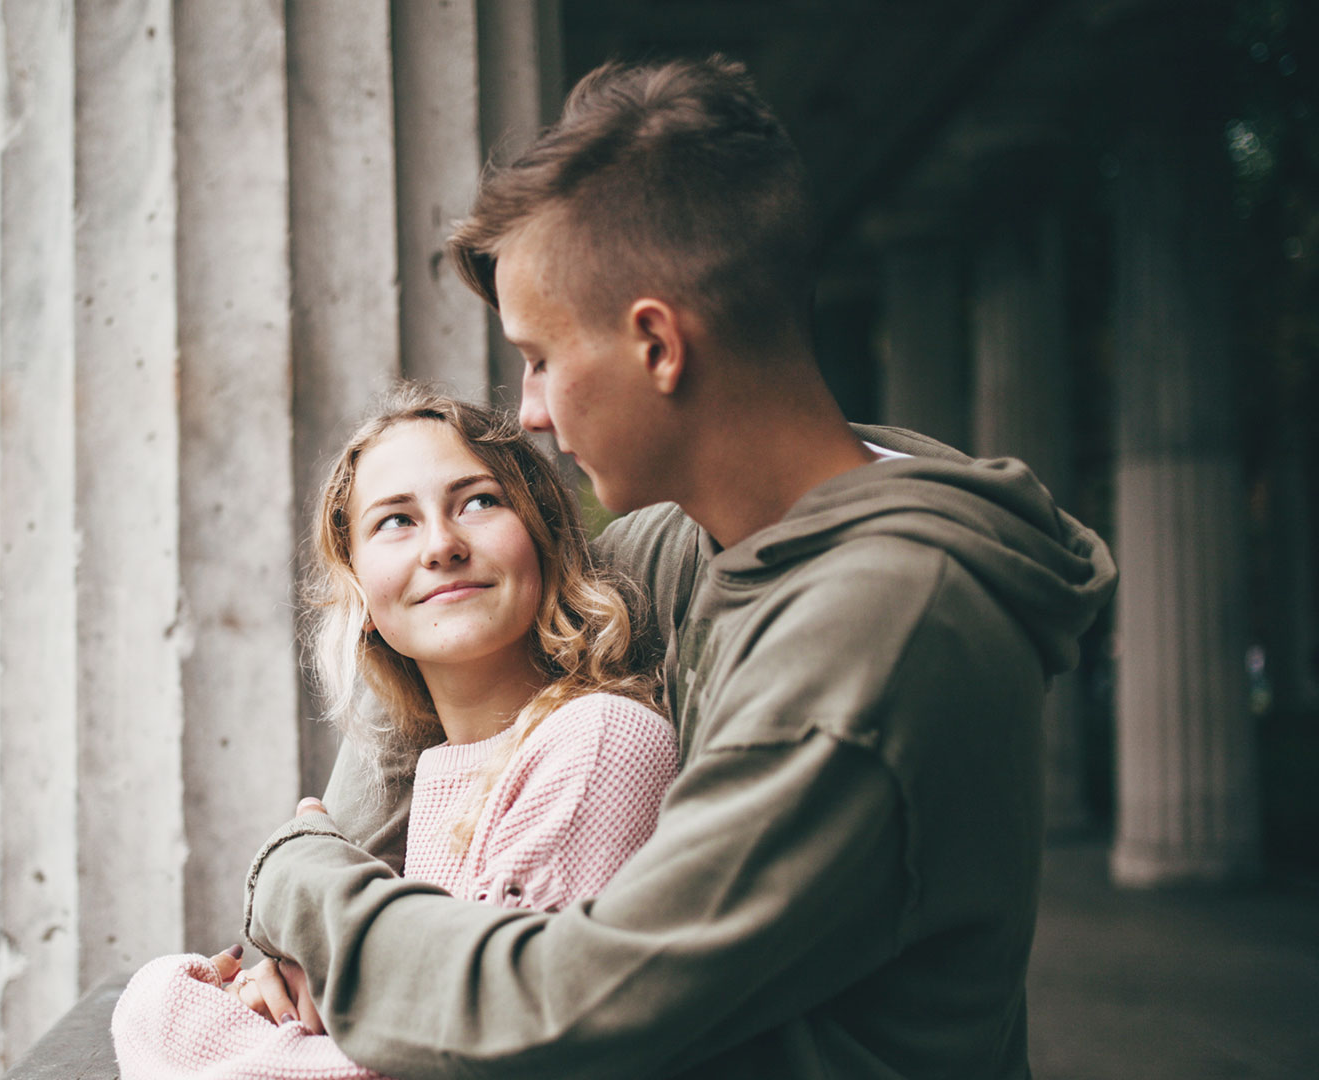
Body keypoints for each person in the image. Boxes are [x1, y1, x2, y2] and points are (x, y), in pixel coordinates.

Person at [238, 56, 1117, 1079]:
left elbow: (562, 1012)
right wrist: (318, 889)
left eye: (540, 358)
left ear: (656, 344)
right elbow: (451, 619)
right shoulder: (699, 541)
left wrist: (304, 883)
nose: (527, 413)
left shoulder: (880, 638)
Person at [110, 387, 680, 1079]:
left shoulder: (601, 740)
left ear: (545, 539)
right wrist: (294, 1004)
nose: (442, 545)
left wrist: (169, 1006)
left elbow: (499, 1038)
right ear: (364, 599)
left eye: (478, 501)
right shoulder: (438, 779)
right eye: (396, 522)